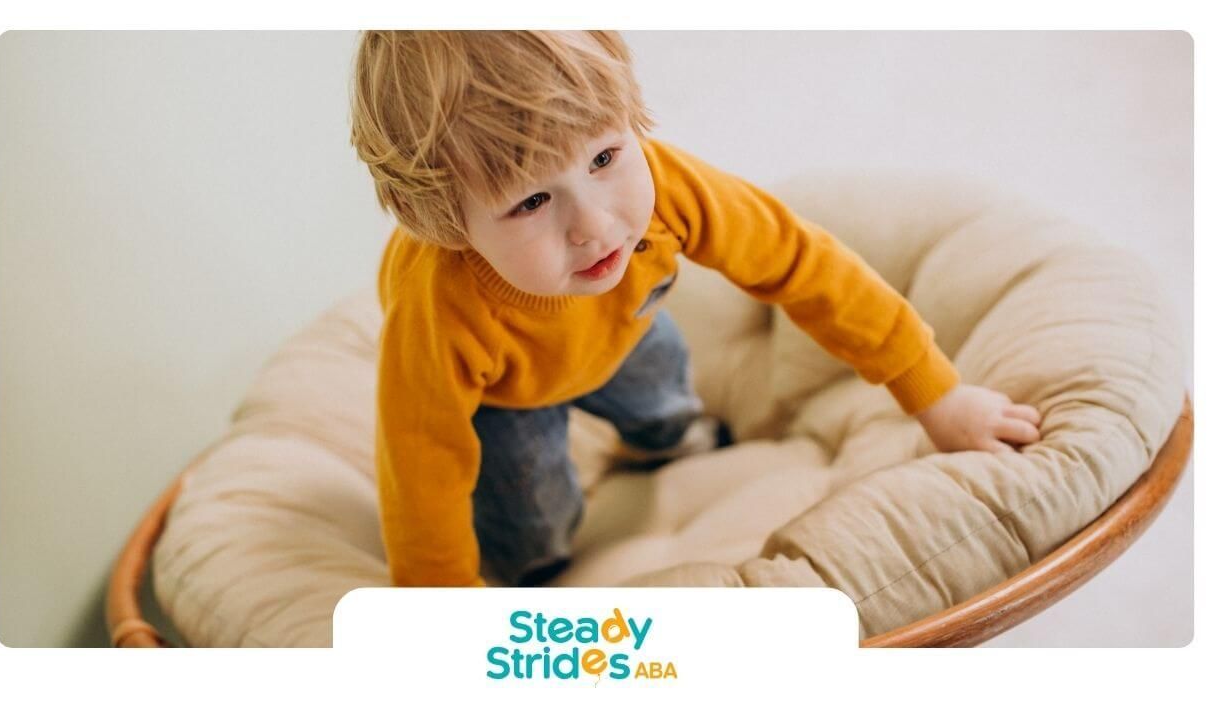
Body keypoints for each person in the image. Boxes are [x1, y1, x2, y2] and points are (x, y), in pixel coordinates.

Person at [349, 30, 1043, 588]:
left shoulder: (672, 189)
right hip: (508, 396)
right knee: (529, 529)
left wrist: (936, 395)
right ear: (442, 223)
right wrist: (433, 601)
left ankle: (672, 442)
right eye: (531, 202)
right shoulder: (436, 314)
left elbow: (806, 265)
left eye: (604, 157)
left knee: (667, 407)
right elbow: (420, 460)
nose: (595, 227)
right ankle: (534, 569)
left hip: (629, 324)